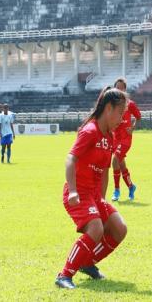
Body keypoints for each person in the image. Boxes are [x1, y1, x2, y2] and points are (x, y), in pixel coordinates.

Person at [55, 87, 128, 289]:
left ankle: (87, 263)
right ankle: (64, 275)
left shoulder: (110, 137)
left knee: (119, 228)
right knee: (96, 228)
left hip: (95, 195)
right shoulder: (90, 131)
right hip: (78, 192)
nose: (122, 118)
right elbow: (70, 159)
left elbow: (104, 170)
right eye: (120, 112)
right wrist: (72, 190)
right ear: (109, 108)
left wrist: (102, 200)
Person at [111, 78, 142, 202]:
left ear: (125, 89)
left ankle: (116, 190)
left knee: (114, 161)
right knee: (121, 165)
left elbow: (138, 117)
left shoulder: (130, 104)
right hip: (114, 139)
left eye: (121, 87)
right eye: (117, 87)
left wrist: (132, 127)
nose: (119, 89)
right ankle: (131, 186)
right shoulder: (112, 104)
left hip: (125, 139)